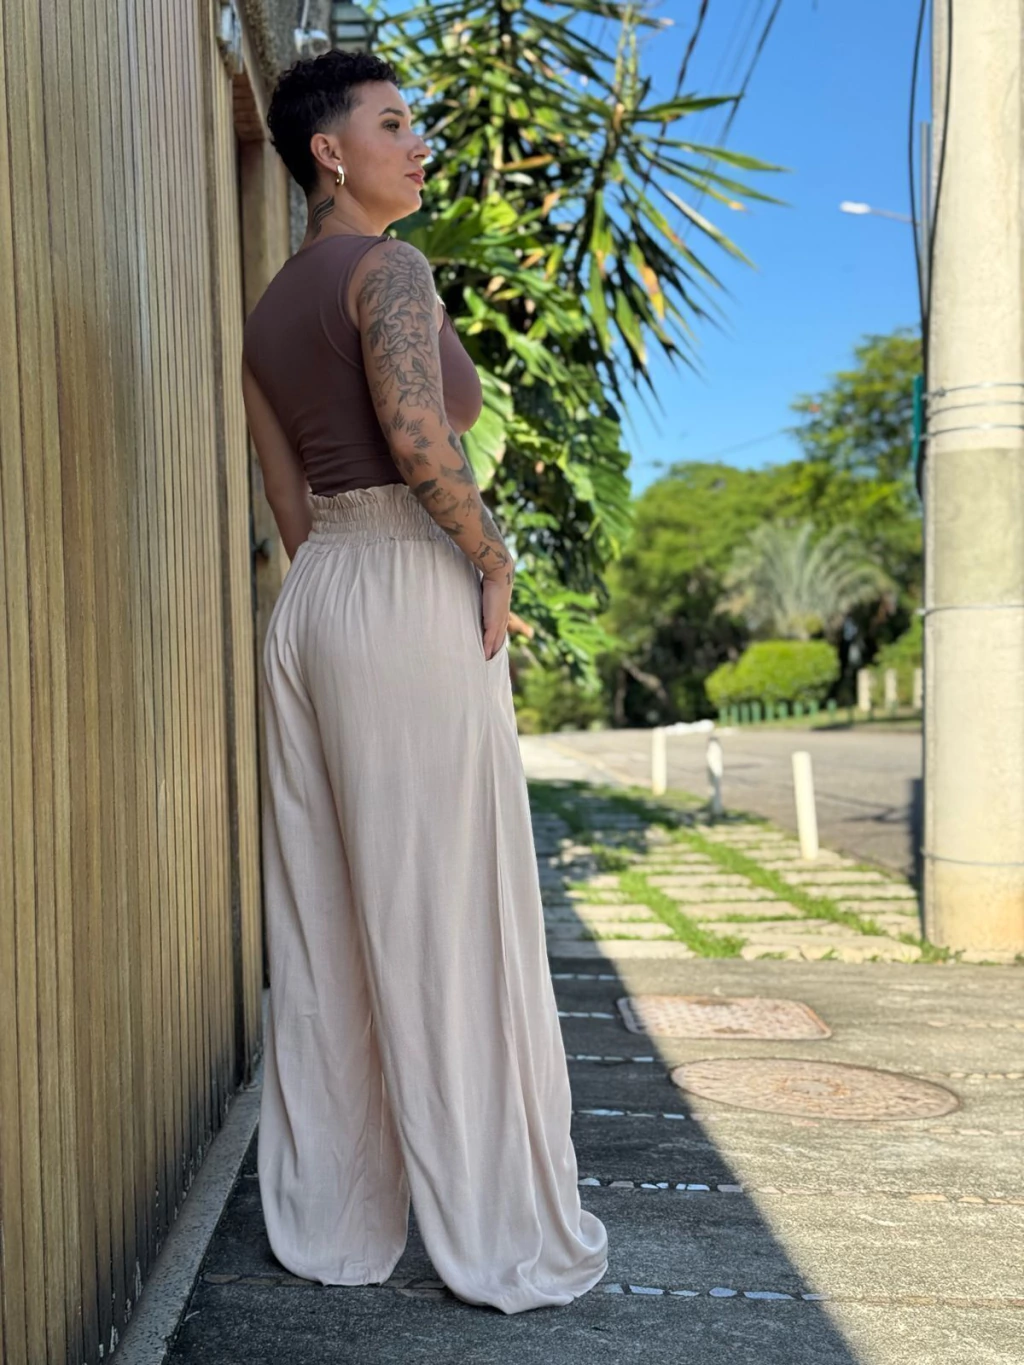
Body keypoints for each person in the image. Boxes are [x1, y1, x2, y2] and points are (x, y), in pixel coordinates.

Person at [240, 49, 608, 1315]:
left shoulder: (266, 312)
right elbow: (414, 430)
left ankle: (338, 1218)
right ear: (328, 152)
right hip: (402, 583)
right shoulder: (388, 270)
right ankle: (489, 1224)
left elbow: (288, 500)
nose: (417, 144)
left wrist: (344, 588)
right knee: (449, 912)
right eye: (392, 123)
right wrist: (486, 554)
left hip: (316, 602)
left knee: (329, 917)